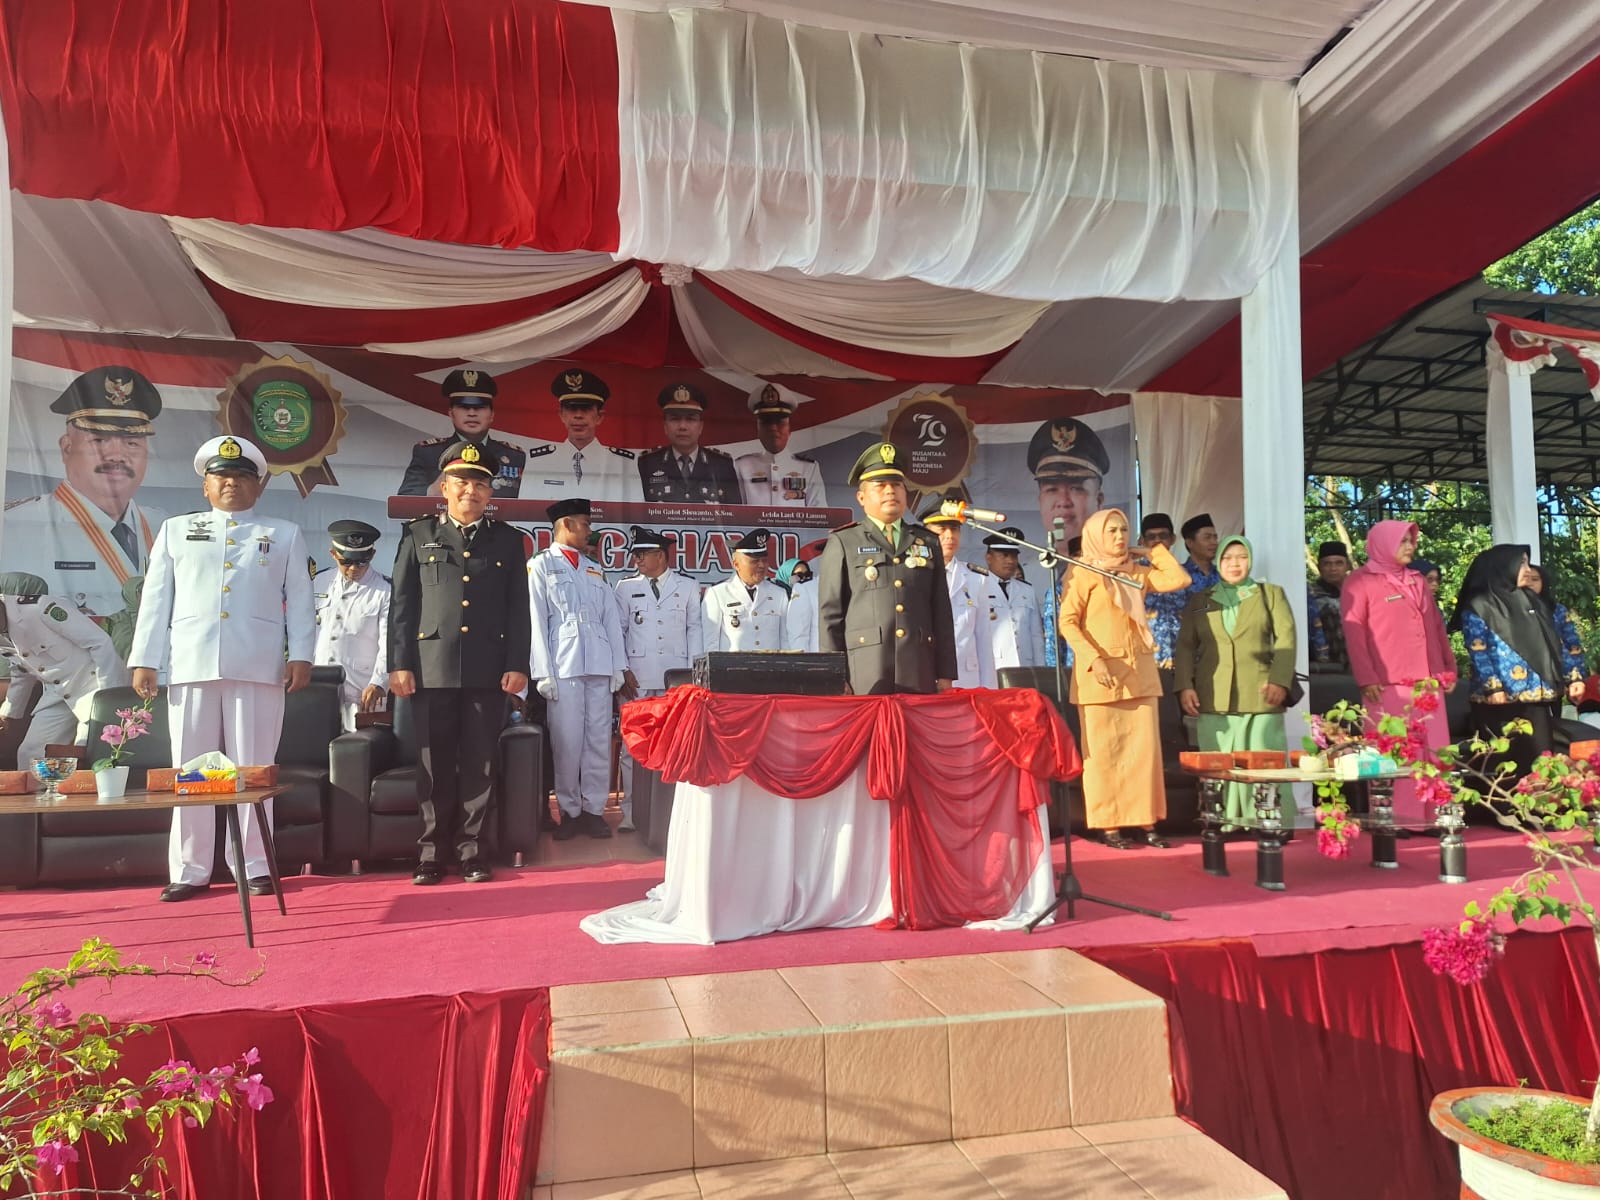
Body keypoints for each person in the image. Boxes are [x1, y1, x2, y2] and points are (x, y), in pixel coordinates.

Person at [129, 436, 315, 902]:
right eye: (222, 477)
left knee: (251, 770)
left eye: (242, 477)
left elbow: (302, 602)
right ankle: (191, 869)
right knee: (192, 770)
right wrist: (146, 659)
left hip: (258, 663)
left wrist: (302, 655)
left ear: (259, 486)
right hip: (191, 662)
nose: (232, 484)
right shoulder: (175, 530)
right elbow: (156, 599)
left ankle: (253, 864)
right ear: (206, 487)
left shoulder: (283, 533)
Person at [389, 441, 532, 884]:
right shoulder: (418, 535)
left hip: (488, 669)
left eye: (480, 484)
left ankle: (472, 850)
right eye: (462, 482)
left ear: (491, 494)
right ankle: (430, 853)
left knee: (480, 761)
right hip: (430, 669)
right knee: (432, 763)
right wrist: (399, 664)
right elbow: (402, 606)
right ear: (445, 488)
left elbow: (517, 609)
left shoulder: (508, 540)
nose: (471, 490)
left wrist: (517, 663)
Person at [1058, 508, 1190, 849]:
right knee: (1105, 758)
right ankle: (1109, 826)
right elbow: (1068, 622)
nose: (1119, 537)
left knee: (1142, 756)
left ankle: (1145, 822)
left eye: (1124, 530)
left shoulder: (1135, 572)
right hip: (1099, 677)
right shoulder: (1082, 572)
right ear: (1096, 535)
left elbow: (1178, 580)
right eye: (1112, 531)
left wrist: (1149, 551)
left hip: (1139, 674)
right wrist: (1093, 659)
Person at [4, 365, 165, 621]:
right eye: (98, 441)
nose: (117, 455)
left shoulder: (168, 528)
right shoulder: (13, 528)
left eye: (132, 442)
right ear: (66, 448)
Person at [1174, 536, 1297, 827]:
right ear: (1218, 562)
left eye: (1241, 557)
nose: (1235, 564)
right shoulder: (1200, 601)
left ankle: (1271, 819)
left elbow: (1287, 640)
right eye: (1228, 558)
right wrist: (1185, 685)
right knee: (1218, 760)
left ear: (1250, 560)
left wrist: (1280, 680)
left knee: (1264, 758)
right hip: (1213, 694)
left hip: (1262, 693)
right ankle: (1223, 821)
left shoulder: (1270, 594)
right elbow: (1185, 647)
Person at [1340, 520, 1456, 822]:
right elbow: (1355, 634)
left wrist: (1447, 668)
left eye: (1411, 541)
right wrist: (1367, 678)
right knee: (1395, 751)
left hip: (1427, 679)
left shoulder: (1417, 579)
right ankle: (1397, 817)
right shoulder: (1360, 581)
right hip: (1387, 681)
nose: (1410, 547)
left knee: (1434, 749)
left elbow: (1437, 628)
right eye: (1402, 541)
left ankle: (1436, 815)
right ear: (1384, 544)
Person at [818, 442, 956, 695]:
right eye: (880, 486)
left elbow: (941, 611)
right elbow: (830, 616)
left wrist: (945, 672)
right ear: (861, 497)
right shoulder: (844, 541)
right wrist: (835, 675)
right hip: (866, 672)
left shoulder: (926, 541)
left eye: (896, 485)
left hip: (919, 668)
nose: (890, 492)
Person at [528, 497, 628, 841]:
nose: (589, 531)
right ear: (566, 524)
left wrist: (618, 665)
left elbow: (611, 620)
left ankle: (593, 810)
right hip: (563, 665)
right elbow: (536, 622)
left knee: (598, 741)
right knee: (567, 742)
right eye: (584, 524)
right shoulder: (541, 565)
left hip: (598, 662)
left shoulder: (594, 568)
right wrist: (542, 672)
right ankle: (569, 811)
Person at [1452, 548, 1585, 775]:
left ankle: (1537, 809)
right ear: (1504, 567)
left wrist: (1574, 676)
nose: (1526, 570)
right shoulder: (1480, 605)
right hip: (1498, 700)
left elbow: (1555, 643)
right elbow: (1479, 651)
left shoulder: (1534, 602)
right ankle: (1499, 809)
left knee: (1540, 760)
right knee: (1501, 761)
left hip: (1537, 698)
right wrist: (1493, 686)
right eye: (1521, 564)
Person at [614, 526, 703, 832]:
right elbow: (619, 632)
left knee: (675, 744)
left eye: (642, 554)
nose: (636, 560)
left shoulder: (689, 587)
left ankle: (673, 812)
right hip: (636, 678)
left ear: (660, 555)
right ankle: (630, 810)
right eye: (635, 554)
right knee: (632, 746)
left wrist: (694, 675)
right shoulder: (625, 588)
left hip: (675, 679)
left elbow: (695, 630)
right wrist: (622, 669)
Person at [0, 572, 130, 769]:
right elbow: (22, 669)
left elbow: (100, 643)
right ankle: (40, 799)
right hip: (58, 692)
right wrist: (7, 714)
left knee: (85, 751)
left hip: (94, 685)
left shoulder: (40, 607)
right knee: (31, 753)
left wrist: (109, 695)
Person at [311, 520, 391, 731]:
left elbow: (390, 642)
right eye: (346, 562)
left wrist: (379, 682)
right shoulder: (318, 582)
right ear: (333, 554)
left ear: (372, 555)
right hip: (318, 685)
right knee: (315, 750)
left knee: (357, 754)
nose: (354, 568)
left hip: (362, 688)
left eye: (361, 562)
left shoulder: (386, 590)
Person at [398, 369, 526, 498]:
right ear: (451, 413)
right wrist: (433, 491)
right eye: (464, 407)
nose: (471, 413)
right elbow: (404, 500)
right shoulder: (428, 453)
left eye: (479, 408)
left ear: (492, 415)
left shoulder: (514, 456)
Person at [522, 369, 642, 503]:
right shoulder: (538, 462)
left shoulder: (623, 464)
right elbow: (524, 514)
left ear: (600, 416)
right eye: (572, 408)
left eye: (585, 409)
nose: (578, 415)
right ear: (561, 415)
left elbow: (636, 516)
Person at [918, 501, 992, 689]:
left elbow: (984, 640)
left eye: (955, 529)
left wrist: (989, 689)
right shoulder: (913, 574)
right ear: (925, 533)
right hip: (925, 677)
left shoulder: (977, 579)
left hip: (966, 680)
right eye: (941, 529)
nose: (949, 536)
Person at [636, 382, 743, 503]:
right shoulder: (648, 464)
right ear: (665, 426)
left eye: (691, 419)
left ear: (701, 426)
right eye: (675, 419)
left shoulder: (722, 465)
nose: (682, 426)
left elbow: (735, 517)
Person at [1145, 513, 1222, 675]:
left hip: (1189, 660)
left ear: (1173, 539)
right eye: (1151, 536)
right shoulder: (1134, 574)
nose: (1158, 541)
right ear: (1141, 541)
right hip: (1148, 662)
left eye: (1163, 536)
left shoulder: (1182, 577)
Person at [732, 383, 827, 508]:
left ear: (789, 430)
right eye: (766, 422)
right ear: (758, 430)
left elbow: (820, 516)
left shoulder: (808, 468)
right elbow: (735, 515)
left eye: (779, 422)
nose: (772, 428)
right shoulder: (741, 467)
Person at [702, 529, 788, 652]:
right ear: (736, 564)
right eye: (754, 561)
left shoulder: (779, 594)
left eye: (764, 560)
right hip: (733, 669)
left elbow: (785, 641)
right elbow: (710, 644)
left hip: (770, 669)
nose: (762, 566)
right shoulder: (717, 594)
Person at [1027, 417, 1108, 546]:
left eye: (1076, 488)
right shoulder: (1026, 565)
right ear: (1040, 501)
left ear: (1098, 501)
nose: (1063, 502)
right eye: (1052, 490)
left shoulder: (1114, 565)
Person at [978, 528, 1043, 687]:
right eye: (1004, 555)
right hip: (993, 669)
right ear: (989, 558)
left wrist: (1041, 670)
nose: (1010, 561)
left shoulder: (1027, 590)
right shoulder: (978, 586)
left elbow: (1036, 635)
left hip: (1025, 667)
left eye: (1014, 556)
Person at [1309, 540, 1353, 668]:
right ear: (1319, 567)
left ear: (1347, 566)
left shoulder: (1360, 593)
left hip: (1359, 665)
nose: (1333, 568)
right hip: (1326, 668)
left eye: (1339, 563)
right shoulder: (1310, 596)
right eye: (1327, 564)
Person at [776, 557, 820, 652]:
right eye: (798, 575)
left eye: (807, 574)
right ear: (786, 574)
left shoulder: (809, 594)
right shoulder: (775, 597)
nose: (803, 578)